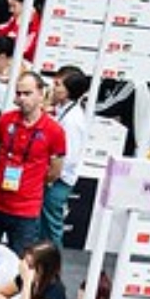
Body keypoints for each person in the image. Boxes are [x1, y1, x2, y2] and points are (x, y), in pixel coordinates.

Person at [0, 71, 66, 251]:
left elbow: (55, 171)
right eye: (18, 93)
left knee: (20, 262)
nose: (22, 98)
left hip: (26, 209)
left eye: (27, 93)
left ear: (40, 93)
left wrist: (32, 182)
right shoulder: (6, 120)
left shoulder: (54, 130)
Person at [42, 66, 89, 243]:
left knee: (51, 227)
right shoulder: (62, 110)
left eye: (58, 84)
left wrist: (50, 177)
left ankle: (53, 268)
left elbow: (69, 157)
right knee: (44, 226)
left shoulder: (73, 119)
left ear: (68, 91)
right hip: (54, 177)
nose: (53, 88)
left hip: (58, 180)